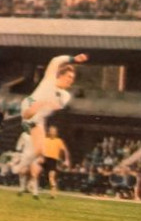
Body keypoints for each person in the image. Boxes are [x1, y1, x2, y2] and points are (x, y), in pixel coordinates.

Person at [11, 52, 88, 194]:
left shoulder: (66, 95)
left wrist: (45, 104)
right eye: (69, 77)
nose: (71, 80)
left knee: (40, 150)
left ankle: (19, 165)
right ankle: (20, 167)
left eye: (73, 78)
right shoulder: (49, 80)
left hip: (39, 118)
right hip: (29, 108)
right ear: (60, 75)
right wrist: (73, 59)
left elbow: (54, 106)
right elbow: (55, 60)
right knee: (32, 110)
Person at [34, 125, 70, 198]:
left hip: (52, 160)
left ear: (56, 133)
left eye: (54, 131)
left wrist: (67, 160)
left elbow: (65, 151)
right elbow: (40, 150)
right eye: (51, 131)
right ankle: (35, 190)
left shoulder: (59, 141)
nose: (52, 132)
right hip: (45, 159)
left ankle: (53, 194)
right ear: (49, 132)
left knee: (51, 177)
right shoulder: (45, 140)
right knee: (37, 172)